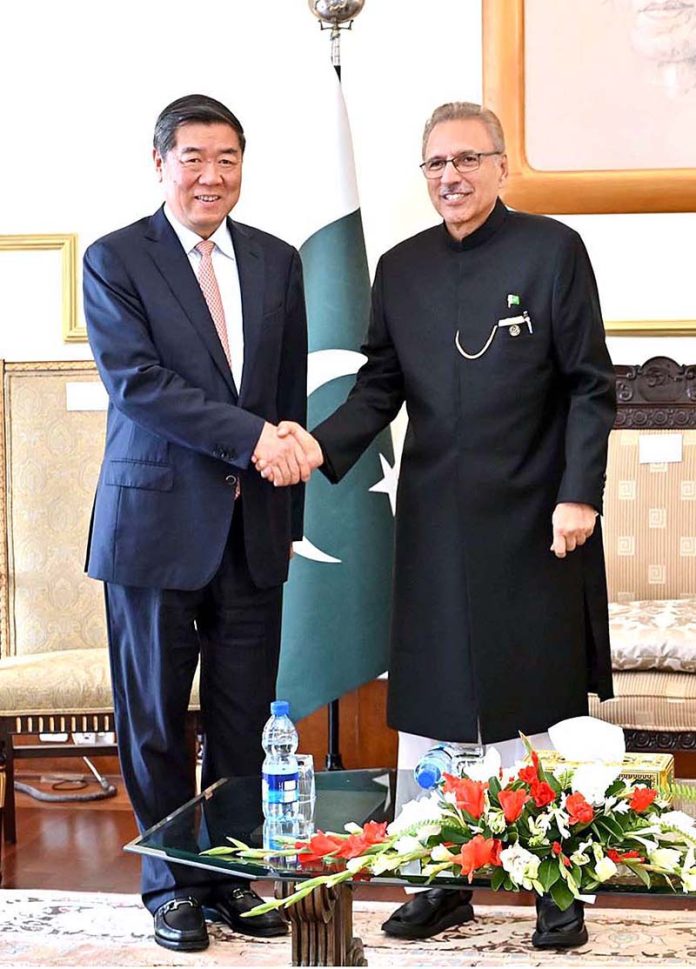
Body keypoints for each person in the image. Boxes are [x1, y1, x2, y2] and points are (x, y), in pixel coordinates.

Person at [257, 101, 617, 949]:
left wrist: (579, 493)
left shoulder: (554, 249)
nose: (450, 176)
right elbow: (380, 386)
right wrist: (317, 442)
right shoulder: (401, 266)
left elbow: (590, 384)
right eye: (434, 165)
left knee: (537, 710)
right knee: (435, 708)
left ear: (501, 166)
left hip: (537, 516)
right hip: (434, 520)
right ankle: (441, 877)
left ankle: (554, 885)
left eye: (466, 159)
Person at [83, 93, 313, 953]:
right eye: (193, 158)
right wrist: (256, 437)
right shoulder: (115, 259)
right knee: (153, 716)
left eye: (227, 158)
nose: (211, 175)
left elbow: (284, 399)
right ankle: (169, 885)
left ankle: (226, 878)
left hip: (253, 531)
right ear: (160, 164)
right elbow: (139, 384)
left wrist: (287, 501)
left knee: (244, 717)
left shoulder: (278, 260)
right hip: (151, 530)